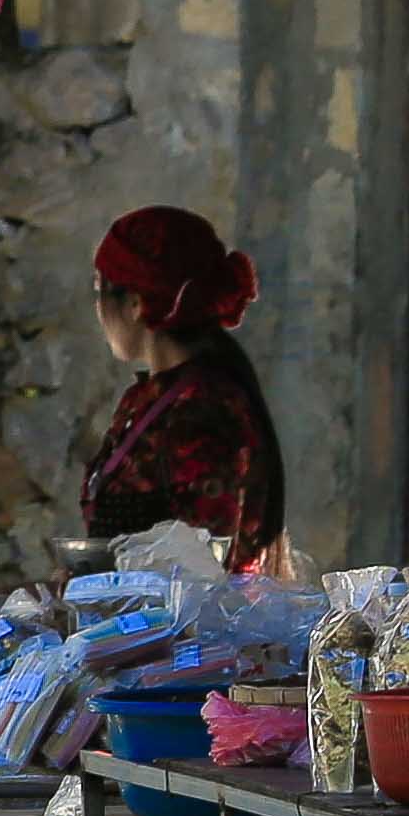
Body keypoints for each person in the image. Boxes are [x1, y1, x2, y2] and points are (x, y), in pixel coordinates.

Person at [79, 206, 286, 568]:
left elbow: (203, 570)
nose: (97, 310)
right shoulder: (153, 399)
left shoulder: (203, 412)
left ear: (134, 304)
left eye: (100, 292)